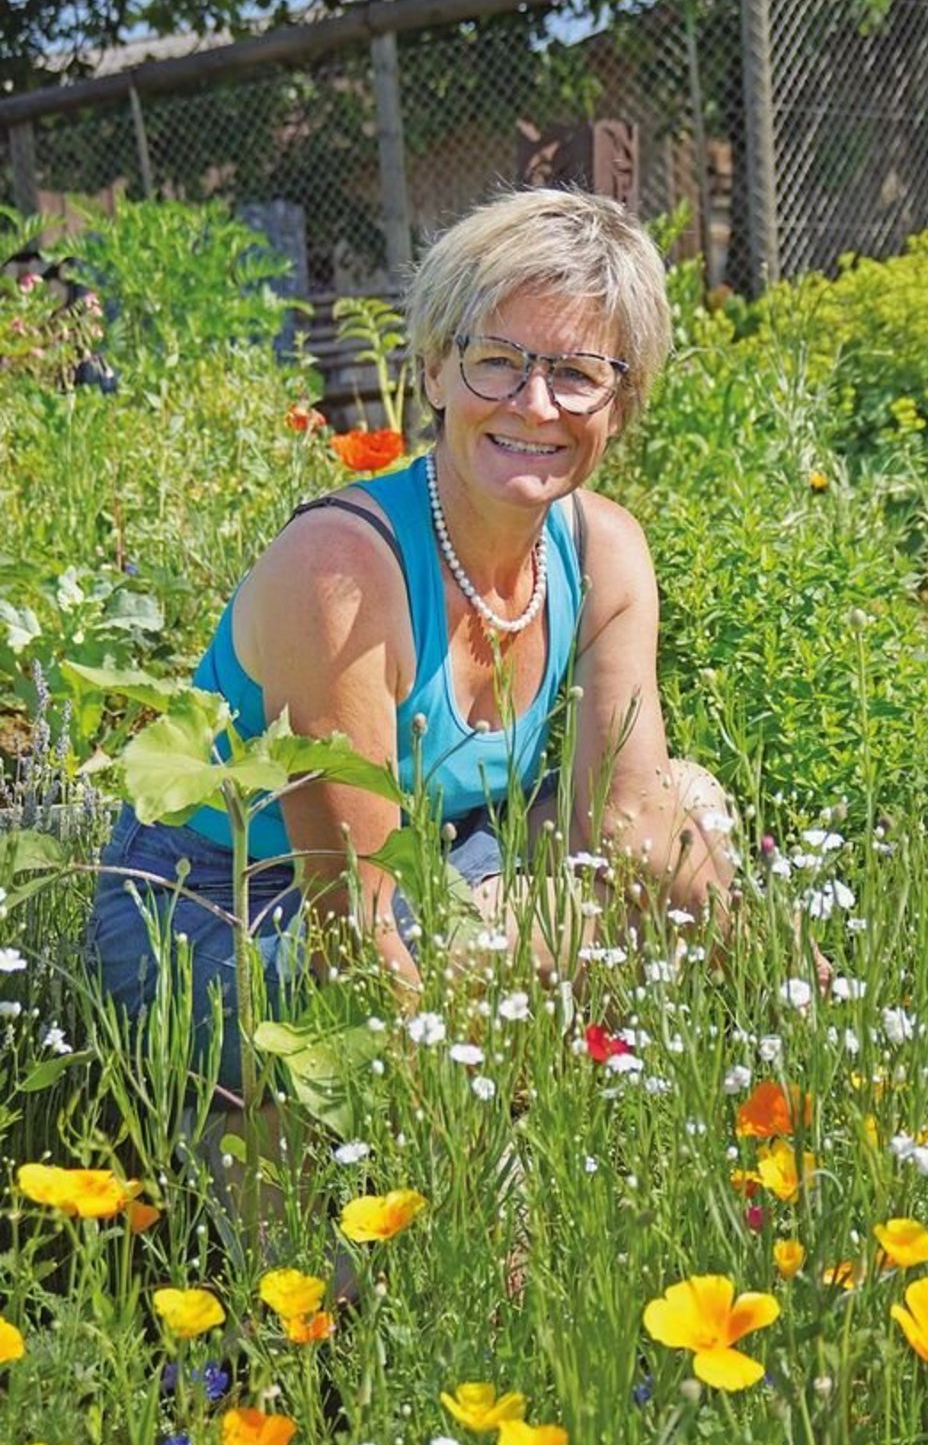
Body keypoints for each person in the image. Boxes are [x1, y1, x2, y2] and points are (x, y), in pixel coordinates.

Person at [85, 187, 738, 1100]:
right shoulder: (343, 571)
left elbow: (625, 817)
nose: (536, 404)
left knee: (691, 808)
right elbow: (356, 919)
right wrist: (454, 1154)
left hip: (435, 865)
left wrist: (784, 972)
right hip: (225, 913)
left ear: (619, 407)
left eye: (579, 373)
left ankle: (570, 1073)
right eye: (497, 362)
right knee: (577, 913)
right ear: (434, 372)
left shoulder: (603, 549)